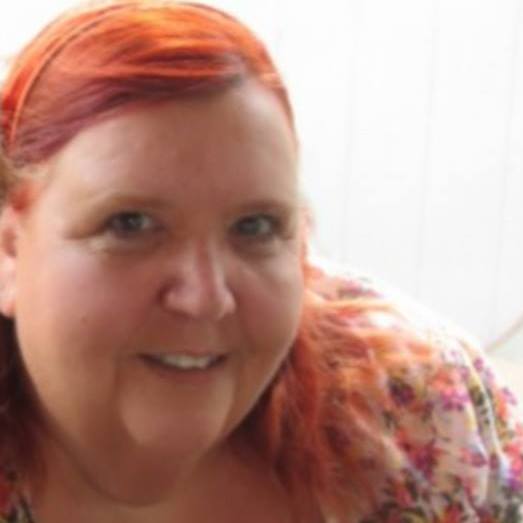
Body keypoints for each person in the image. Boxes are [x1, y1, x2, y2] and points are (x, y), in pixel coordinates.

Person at [0, 1, 521, 522]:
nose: (207, 297)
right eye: (130, 224)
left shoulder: (418, 406)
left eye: (255, 227)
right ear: (9, 251)